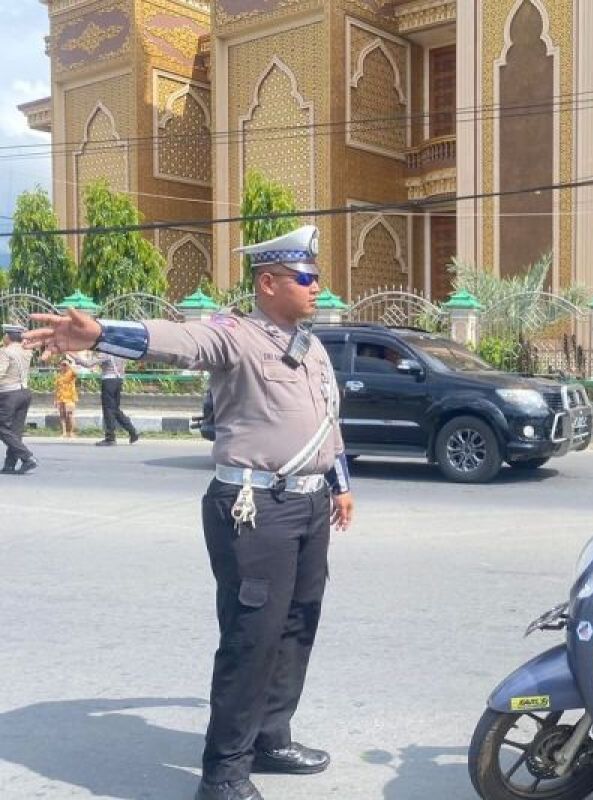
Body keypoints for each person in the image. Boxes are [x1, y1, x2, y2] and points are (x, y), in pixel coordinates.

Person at [25, 224, 356, 800]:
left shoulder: (313, 346)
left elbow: (328, 420)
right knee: (252, 636)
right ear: (270, 282)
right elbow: (181, 339)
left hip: (309, 504)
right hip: (256, 509)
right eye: (307, 278)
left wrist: (340, 483)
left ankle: (270, 737)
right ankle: (223, 774)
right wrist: (101, 333)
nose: (317, 287)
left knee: (298, 624)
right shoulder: (238, 335)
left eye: (317, 277)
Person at [73, 349, 139, 445]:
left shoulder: (106, 353)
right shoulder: (120, 352)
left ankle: (110, 438)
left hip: (109, 381)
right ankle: (132, 431)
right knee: (115, 409)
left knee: (108, 409)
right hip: (118, 380)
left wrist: (72, 355)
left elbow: (88, 364)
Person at [0, 323, 37, 474]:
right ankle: (10, 464)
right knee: (15, 431)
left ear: (8, 336)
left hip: (8, 394)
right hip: (24, 393)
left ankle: (27, 457)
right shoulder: (27, 351)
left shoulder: (5, 352)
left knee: (2, 427)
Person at [54, 356, 80, 438]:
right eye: (62, 365)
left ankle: (71, 432)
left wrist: (70, 365)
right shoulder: (59, 375)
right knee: (62, 415)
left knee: (70, 415)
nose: (64, 366)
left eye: (65, 365)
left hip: (70, 397)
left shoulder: (71, 373)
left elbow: (76, 373)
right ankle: (64, 432)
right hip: (61, 397)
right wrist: (55, 399)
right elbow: (57, 388)